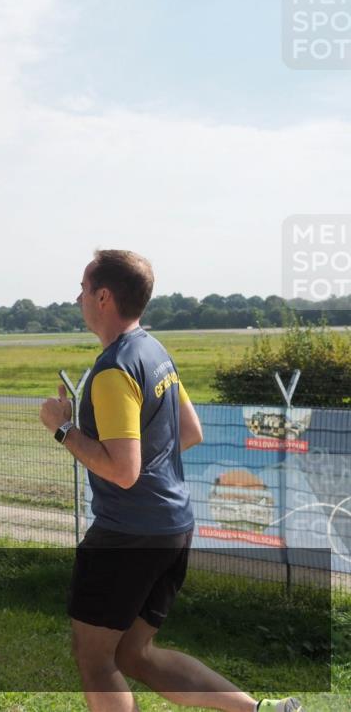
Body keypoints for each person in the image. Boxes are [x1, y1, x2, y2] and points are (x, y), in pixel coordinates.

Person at [38, 249, 302, 712]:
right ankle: (262, 710)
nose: (77, 296)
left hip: (126, 534)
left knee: (94, 657)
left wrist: (63, 429)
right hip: (172, 527)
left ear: (103, 296)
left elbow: (122, 471)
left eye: (82, 288)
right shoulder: (155, 352)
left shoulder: (114, 369)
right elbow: (191, 432)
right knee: (134, 654)